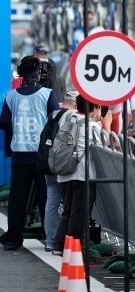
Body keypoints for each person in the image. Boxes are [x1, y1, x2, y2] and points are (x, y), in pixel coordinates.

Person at [0, 56, 59, 251]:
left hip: (19, 155)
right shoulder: (48, 94)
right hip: (43, 155)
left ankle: (13, 239)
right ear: (39, 72)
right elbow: (56, 120)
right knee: (46, 199)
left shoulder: (11, 97)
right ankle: (50, 239)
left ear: (20, 73)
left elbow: (3, 123)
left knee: (18, 199)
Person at [50, 95, 103, 256]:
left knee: (67, 210)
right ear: (95, 108)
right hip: (82, 174)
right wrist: (105, 125)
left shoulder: (67, 118)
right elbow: (103, 147)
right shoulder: (92, 126)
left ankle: (59, 244)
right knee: (79, 212)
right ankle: (73, 247)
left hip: (65, 171)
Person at [41, 91, 77, 251]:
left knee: (51, 202)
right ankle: (62, 241)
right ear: (75, 103)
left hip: (49, 162)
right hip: (64, 165)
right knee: (68, 205)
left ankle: (50, 241)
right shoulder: (72, 116)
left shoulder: (52, 115)